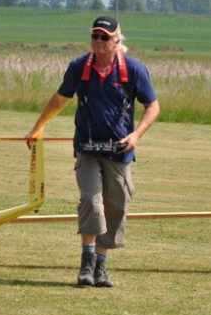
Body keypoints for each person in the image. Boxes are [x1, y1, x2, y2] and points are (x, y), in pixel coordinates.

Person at [25, 16, 160, 287]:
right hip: (86, 147)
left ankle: (101, 265)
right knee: (91, 200)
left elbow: (153, 106)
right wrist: (38, 126)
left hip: (119, 149)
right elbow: (61, 98)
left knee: (116, 206)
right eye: (95, 36)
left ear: (117, 40)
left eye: (105, 37)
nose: (98, 41)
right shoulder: (78, 67)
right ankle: (85, 266)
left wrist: (136, 135)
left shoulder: (133, 69)